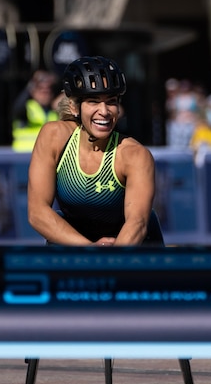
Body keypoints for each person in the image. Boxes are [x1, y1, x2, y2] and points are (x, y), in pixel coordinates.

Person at [27, 55, 163, 246]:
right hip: (78, 247)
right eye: (93, 101)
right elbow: (37, 213)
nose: (104, 111)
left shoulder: (135, 155)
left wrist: (109, 262)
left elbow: (137, 223)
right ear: (75, 107)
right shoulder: (54, 136)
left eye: (111, 101)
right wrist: (90, 250)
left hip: (129, 250)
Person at [11, 69, 60, 152]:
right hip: (23, 153)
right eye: (41, 91)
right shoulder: (26, 107)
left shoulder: (53, 112)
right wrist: (33, 82)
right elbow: (17, 107)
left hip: (44, 155)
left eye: (47, 92)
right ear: (33, 92)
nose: (45, 94)